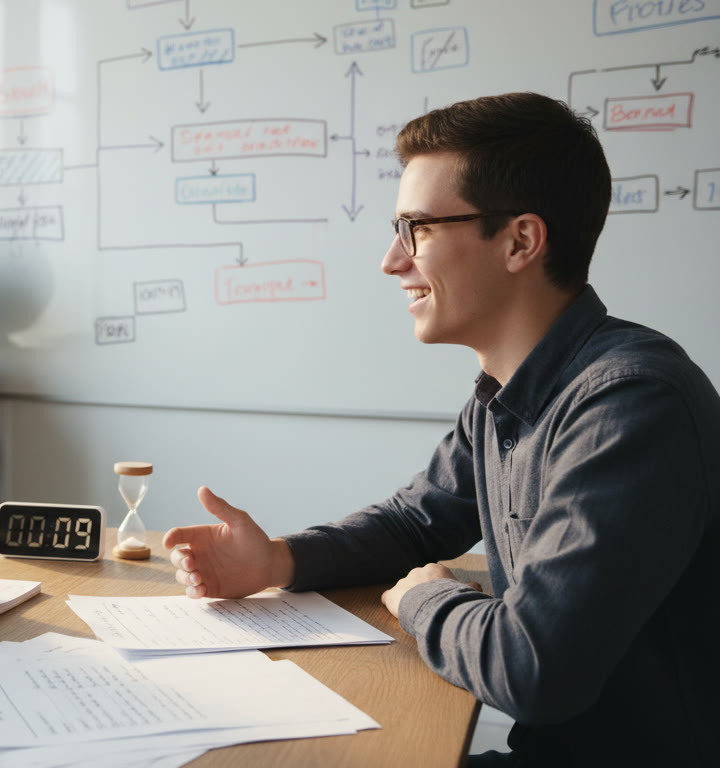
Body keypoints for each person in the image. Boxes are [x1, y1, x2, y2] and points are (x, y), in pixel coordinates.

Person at [164, 92, 719, 766]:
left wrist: (429, 598)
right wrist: (276, 560)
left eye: (416, 229)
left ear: (519, 241)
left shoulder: (630, 404)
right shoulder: (507, 392)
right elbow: (415, 524)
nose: (392, 261)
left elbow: (533, 666)